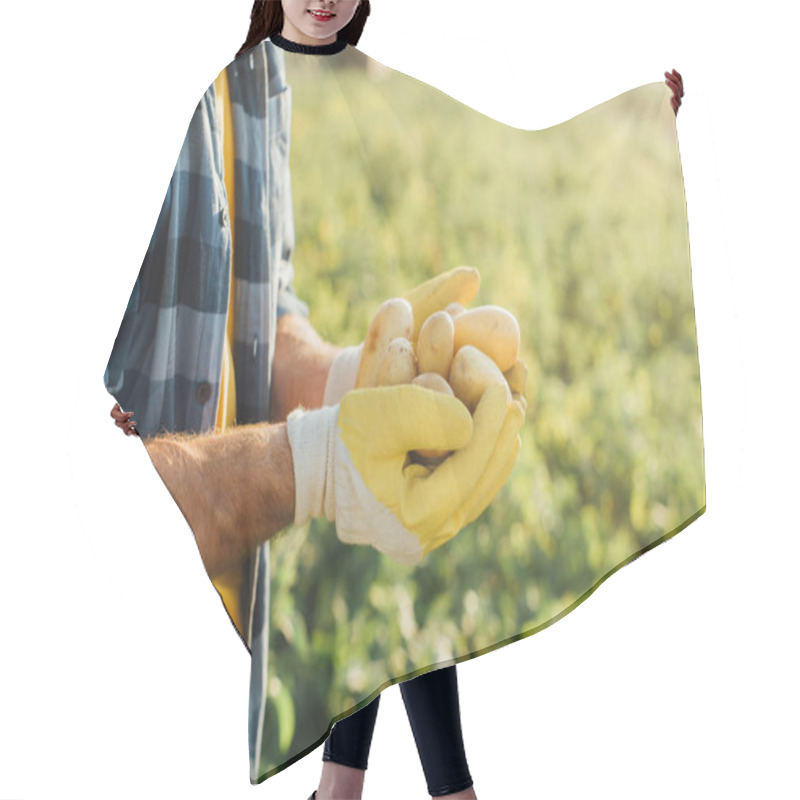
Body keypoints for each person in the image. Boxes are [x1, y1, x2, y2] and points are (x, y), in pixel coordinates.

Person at [109, 2, 684, 797]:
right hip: (148, 639)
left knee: (393, 483)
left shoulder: (266, 82)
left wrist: (352, 378)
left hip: (245, 560)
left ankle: (353, 790)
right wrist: (310, 465)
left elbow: (259, 320)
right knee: (374, 505)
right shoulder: (171, 81)